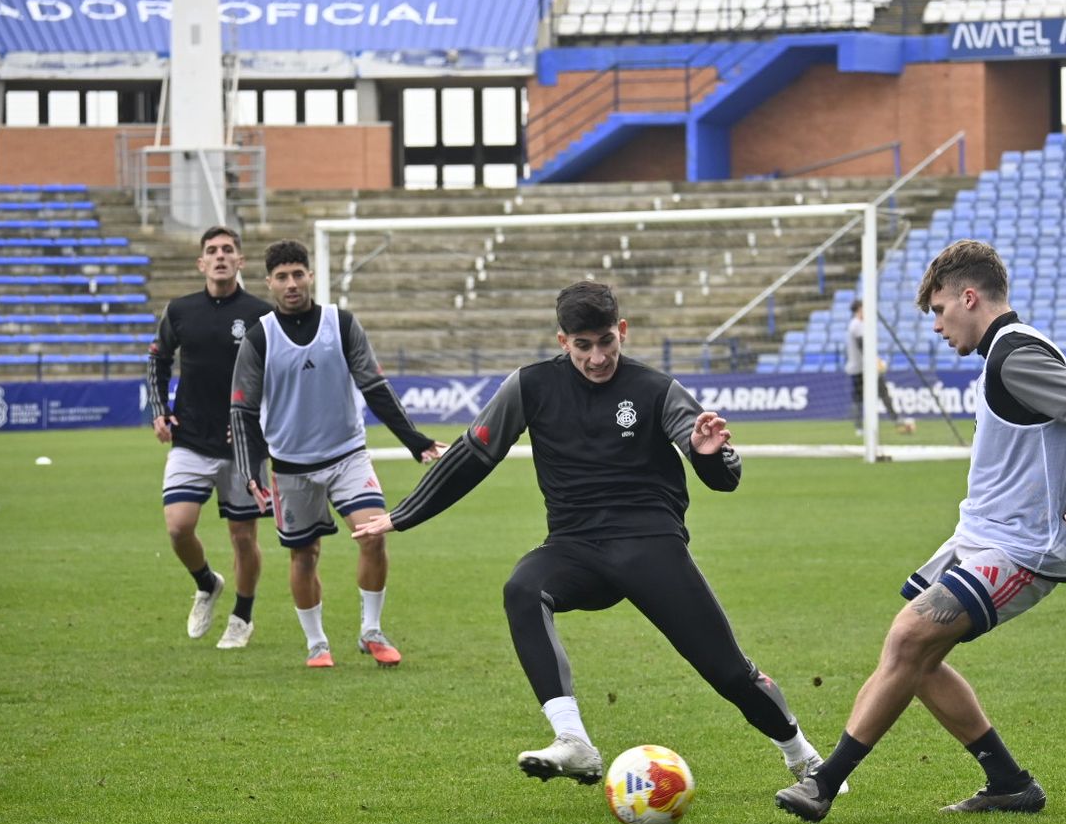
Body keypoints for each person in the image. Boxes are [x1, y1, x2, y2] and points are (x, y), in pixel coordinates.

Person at [350, 280, 830, 788]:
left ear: (621, 331)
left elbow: (721, 475)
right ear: (563, 341)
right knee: (522, 588)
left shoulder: (655, 389)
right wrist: (403, 514)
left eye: (607, 341)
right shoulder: (529, 385)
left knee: (729, 672)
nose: (597, 357)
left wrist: (711, 456)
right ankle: (573, 741)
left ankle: (802, 756)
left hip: (650, 545)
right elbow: (474, 454)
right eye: (583, 345)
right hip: (574, 548)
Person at [776, 240, 1066, 824]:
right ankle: (1009, 783)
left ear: (969, 297)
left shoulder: (1014, 355)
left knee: (910, 640)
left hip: (1024, 547)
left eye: (939, 311)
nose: (936, 325)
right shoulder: (1007, 354)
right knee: (915, 655)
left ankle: (824, 783)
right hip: (981, 534)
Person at [228, 239, 446, 668]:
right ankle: (316, 643)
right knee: (304, 555)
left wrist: (414, 440)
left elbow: (374, 386)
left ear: (310, 274)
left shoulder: (341, 324)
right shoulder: (259, 338)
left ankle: (371, 630)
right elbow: (243, 410)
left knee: (374, 534)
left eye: (298, 274)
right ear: (269, 282)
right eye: (282, 277)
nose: (291, 284)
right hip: (291, 467)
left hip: (348, 454)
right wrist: (251, 470)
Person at [147, 225, 275, 649]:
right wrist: (160, 411)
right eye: (212, 251)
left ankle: (243, 615)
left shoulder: (261, 314)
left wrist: (256, 425)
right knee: (178, 527)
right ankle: (206, 582)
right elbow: (158, 361)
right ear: (201, 263)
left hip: (243, 446)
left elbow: (276, 377)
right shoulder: (180, 311)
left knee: (243, 537)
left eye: (228, 250)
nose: (220, 256)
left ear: (240, 261)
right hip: (191, 439)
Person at [845, 299, 917, 436]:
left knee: (881, 392)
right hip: (860, 369)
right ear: (858, 310)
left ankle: (895, 420)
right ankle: (860, 427)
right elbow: (863, 347)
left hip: (865, 368)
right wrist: (876, 361)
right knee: (861, 398)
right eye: (863, 309)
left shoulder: (860, 324)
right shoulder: (856, 325)